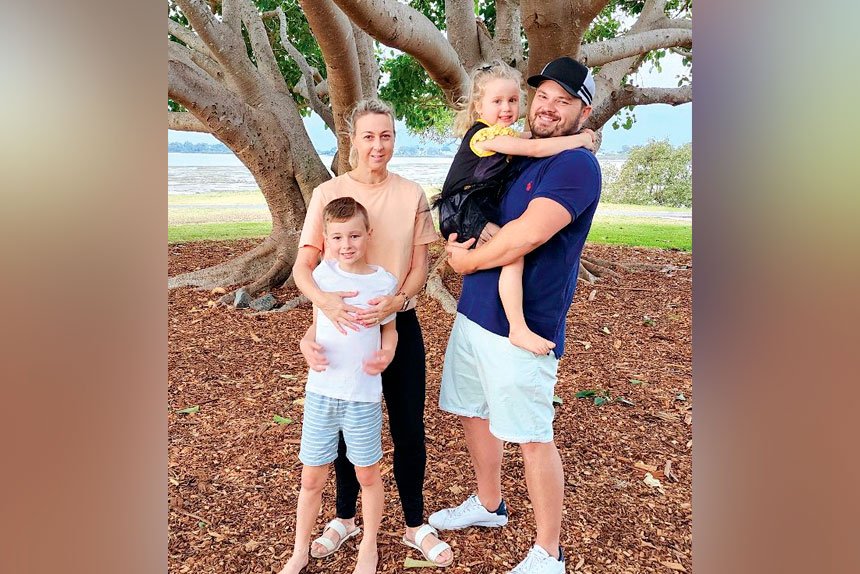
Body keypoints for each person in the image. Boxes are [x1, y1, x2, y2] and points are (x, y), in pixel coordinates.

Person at [429, 57, 602, 574]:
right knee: (472, 409)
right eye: (542, 96)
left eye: (563, 100)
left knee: (531, 434)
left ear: (583, 111)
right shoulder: (516, 152)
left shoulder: (574, 166)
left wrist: (463, 261)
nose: (548, 107)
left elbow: (526, 236)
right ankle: (488, 505)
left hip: (521, 329)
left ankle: (549, 554)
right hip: (476, 312)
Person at [290, 99, 454, 569]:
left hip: (397, 319)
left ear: (394, 140)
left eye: (385, 136)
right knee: (344, 427)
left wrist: (398, 302)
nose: (377, 145)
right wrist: (323, 309)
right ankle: (343, 519)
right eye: (368, 136)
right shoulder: (328, 194)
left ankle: (413, 524)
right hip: (340, 325)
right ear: (352, 140)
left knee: (408, 428)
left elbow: (421, 262)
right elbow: (308, 266)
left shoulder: (410, 194)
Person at [435, 60, 595, 356]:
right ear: (479, 107)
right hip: (463, 207)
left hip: (467, 207)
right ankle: (517, 326)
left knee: (513, 248)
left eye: (512, 100)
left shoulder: (571, 164)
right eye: (497, 101)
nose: (507, 108)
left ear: (585, 112)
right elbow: (534, 147)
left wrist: (579, 140)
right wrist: (581, 139)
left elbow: (530, 141)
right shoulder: (487, 135)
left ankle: (519, 327)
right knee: (513, 255)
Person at [277, 197, 398, 574]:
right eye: (338, 237)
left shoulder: (384, 281)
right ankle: (299, 550)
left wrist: (387, 355)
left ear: (368, 235)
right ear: (326, 239)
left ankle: (368, 545)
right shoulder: (323, 278)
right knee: (311, 477)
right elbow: (317, 325)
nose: (347, 245)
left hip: (361, 396)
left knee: (367, 475)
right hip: (321, 394)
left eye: (355, 236)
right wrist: (305, 343)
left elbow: (390, 332)